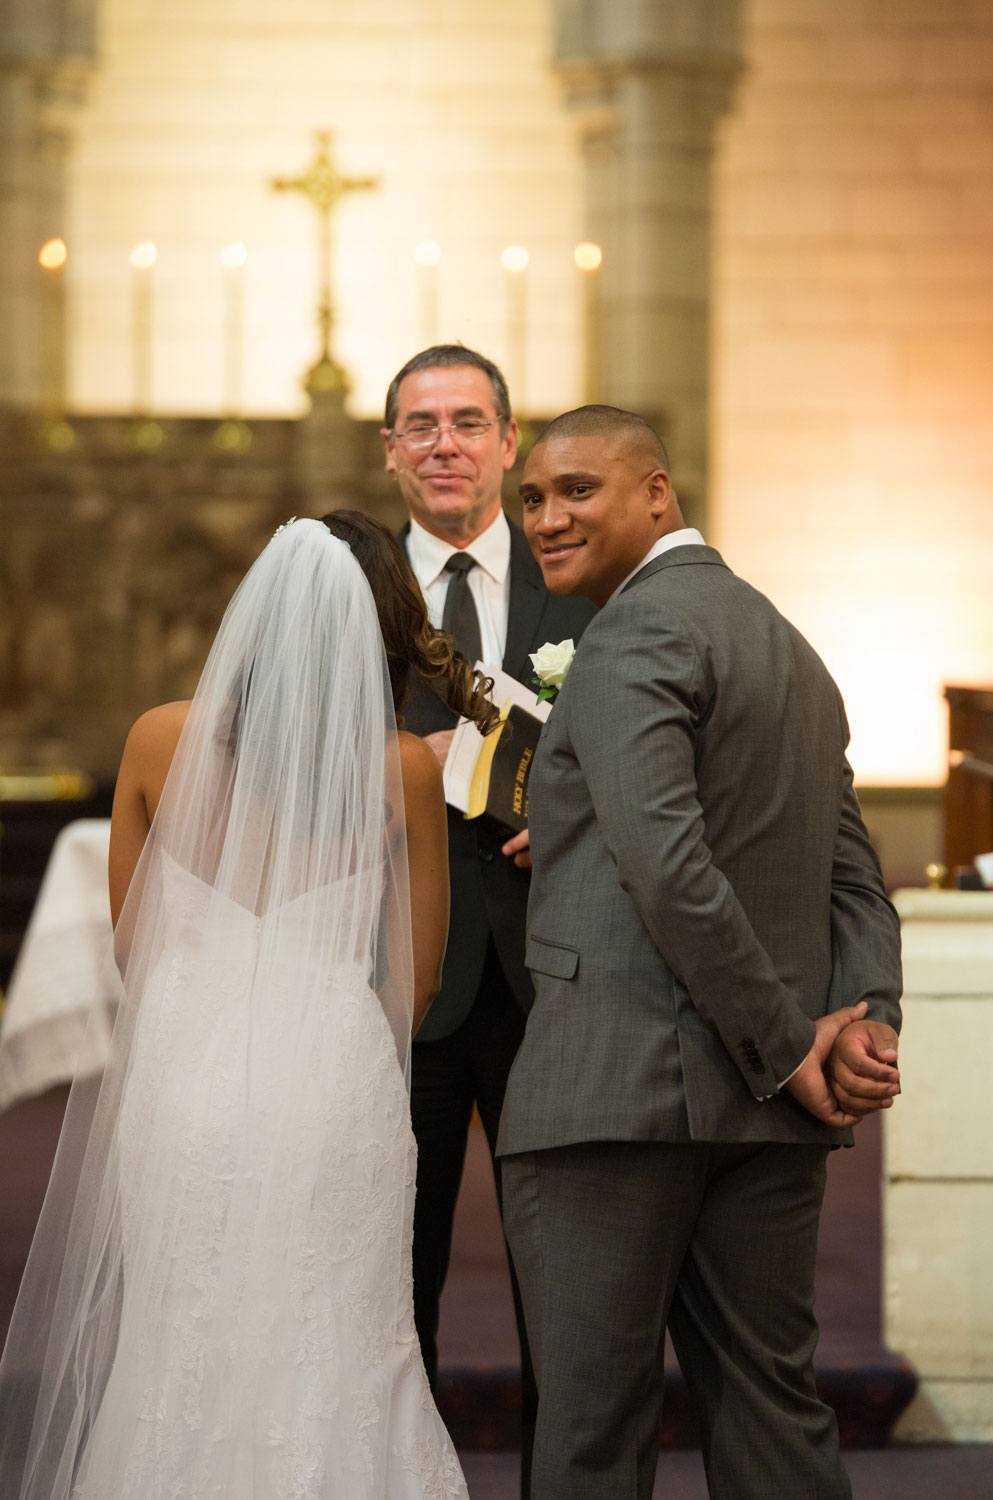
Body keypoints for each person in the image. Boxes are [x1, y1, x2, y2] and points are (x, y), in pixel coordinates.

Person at [0, 512, 497, 1500]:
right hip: (331, 1078)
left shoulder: (155, 738)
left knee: (181, 1329)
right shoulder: (403, 766)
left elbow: (132, 944)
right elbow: (423, 975)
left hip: (188, 1077)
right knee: (337, 1328)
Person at [497, 406, 904, 1500]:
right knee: (775, 1415)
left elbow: (669, 870)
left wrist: (791, 1048)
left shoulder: (632, 633)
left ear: (659, 494)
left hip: (614, 1098)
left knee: (592, 1432)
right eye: (532, 498)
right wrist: (864, 1021)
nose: (546, 516)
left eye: (579, 489)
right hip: (766, 1118)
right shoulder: (787, 642)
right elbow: (855, 876)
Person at [381, 344, 595, 1490]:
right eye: (422, 425)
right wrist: (389, 774)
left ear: (510, 444)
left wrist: (577, 813)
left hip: (554, 978)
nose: (446, 443)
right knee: (383, 1281)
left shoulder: (583, 588)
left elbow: (656, 760)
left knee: (563, 1287)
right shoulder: (349, 590)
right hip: (391, 982)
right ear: (392, 452)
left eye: (469, 421)